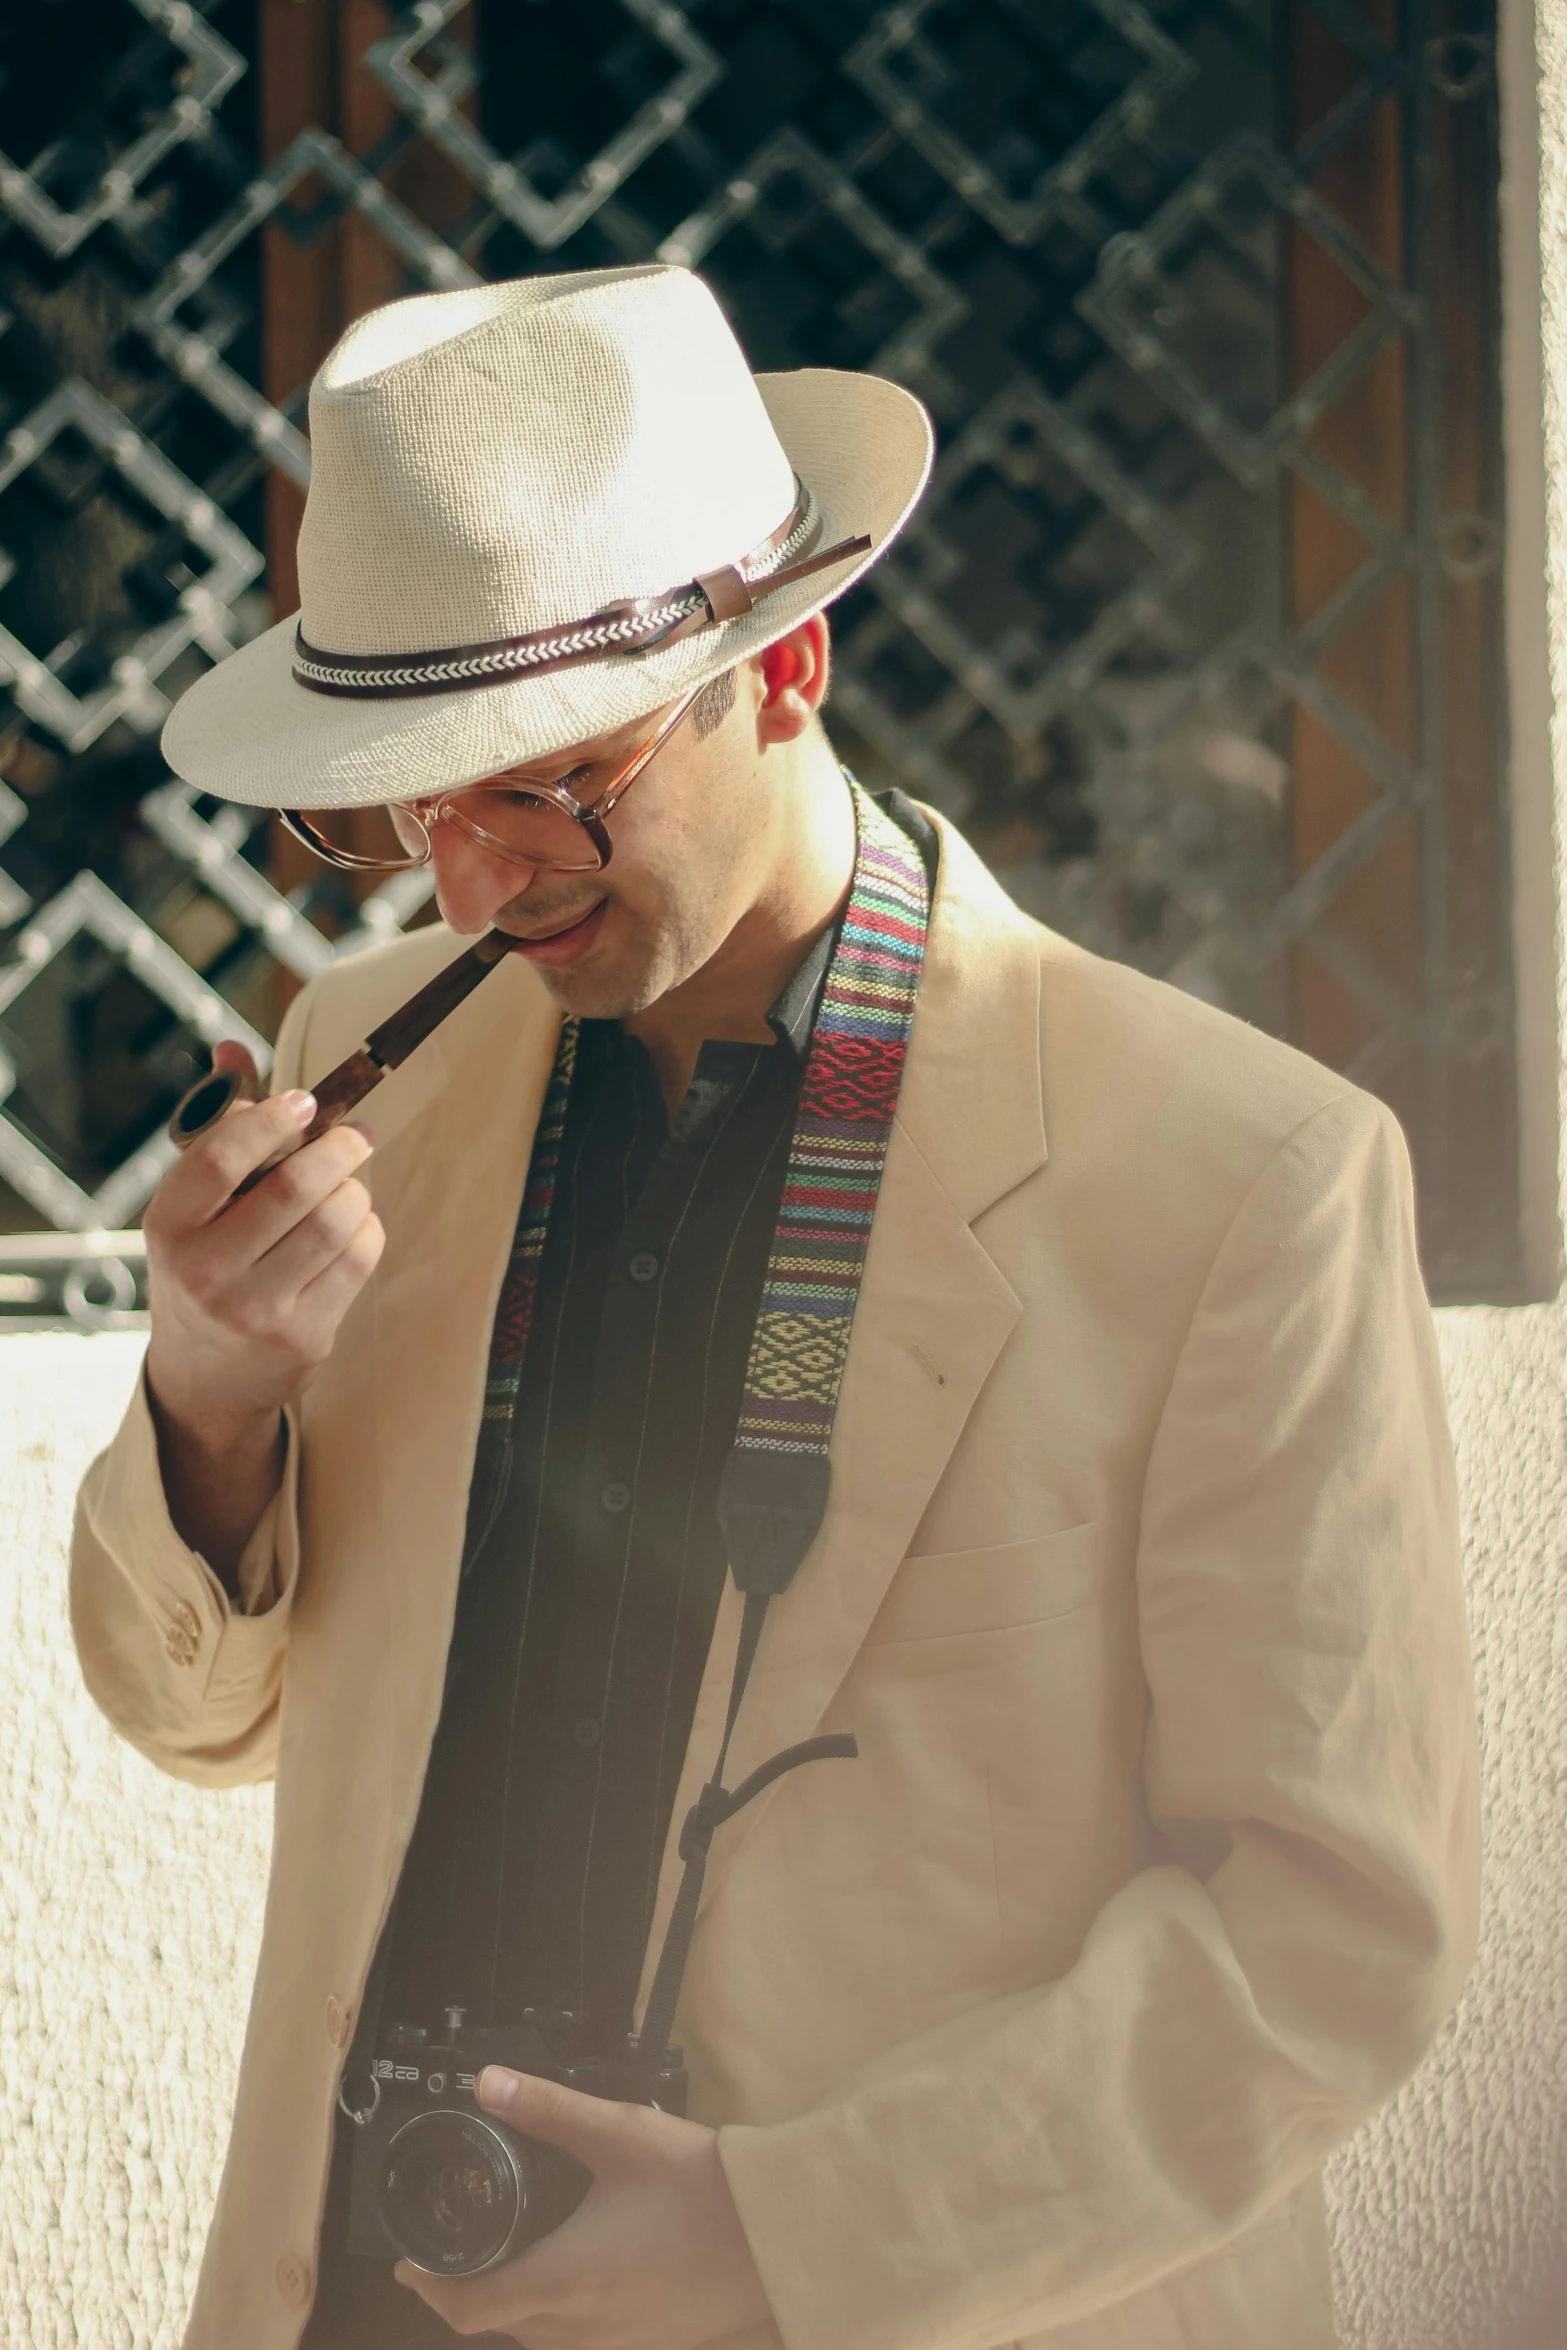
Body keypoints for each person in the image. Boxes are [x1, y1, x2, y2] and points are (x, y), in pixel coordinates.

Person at [71, 263, 1479, 2350]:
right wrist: (206, 1403)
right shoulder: (364, 1044)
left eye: (545, 777)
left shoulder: (1248, 1178)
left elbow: (1335, 1934)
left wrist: (792, 2228)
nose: (466, 883)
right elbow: (203, 1719)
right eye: (402, 798)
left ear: (789, 660)